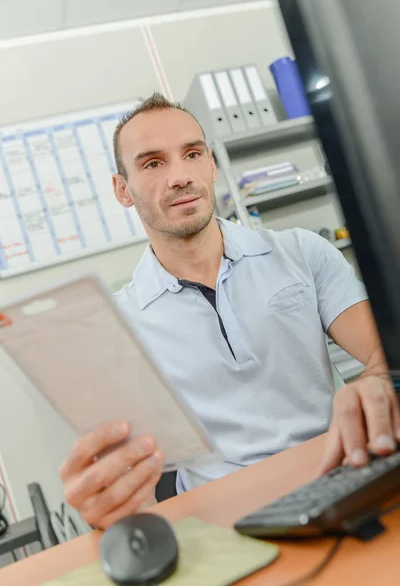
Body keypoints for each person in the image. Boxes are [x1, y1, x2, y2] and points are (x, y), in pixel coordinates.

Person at [60, 93, 400, 530]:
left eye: (192, 154)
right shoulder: (121, 324)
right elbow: (121, 466)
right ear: (122, 190)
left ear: (212, 166)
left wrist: (377, 381)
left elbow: (383, 353)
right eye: (152, 163)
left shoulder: (301, 252)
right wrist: (109, 502)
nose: (180, 176)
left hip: (339, 481)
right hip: (221, 520)